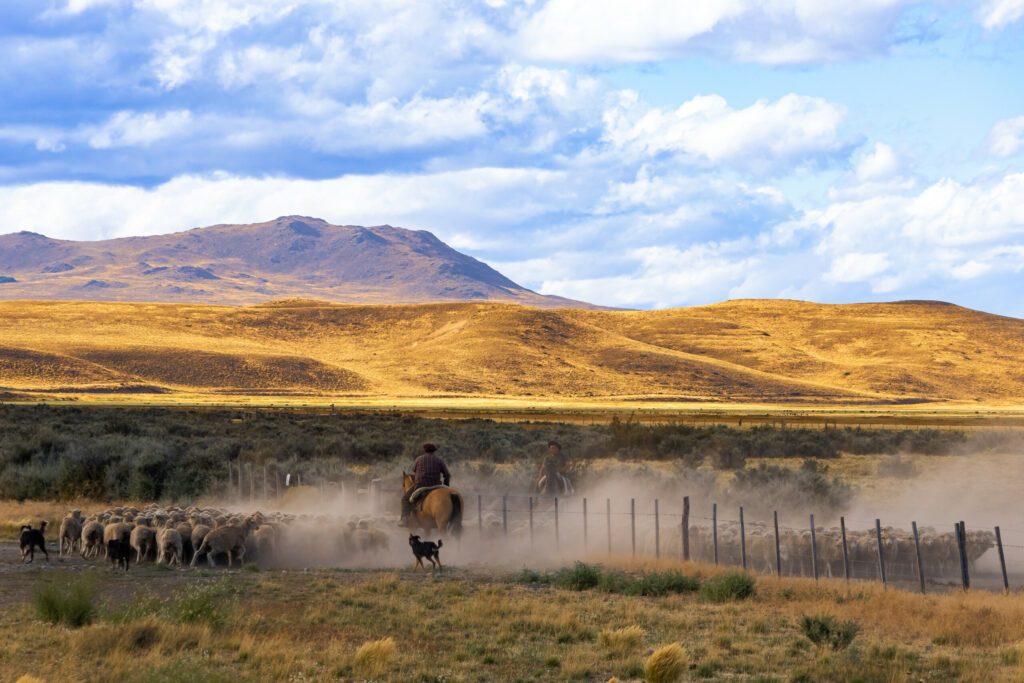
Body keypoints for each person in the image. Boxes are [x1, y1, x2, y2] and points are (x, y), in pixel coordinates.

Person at [402, 443, 451, 523]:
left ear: (425, 450)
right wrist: (446, 486)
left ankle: (404, 519)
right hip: (437, 485)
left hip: (420, 485)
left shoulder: (419, 459)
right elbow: (447, 475)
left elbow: (414, 470)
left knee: (404, 499)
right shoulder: (439, 460)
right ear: (434, 451)